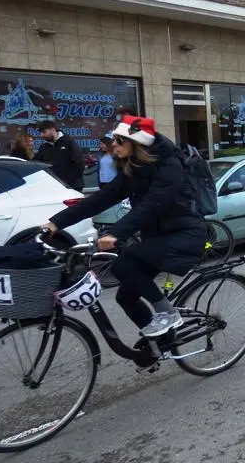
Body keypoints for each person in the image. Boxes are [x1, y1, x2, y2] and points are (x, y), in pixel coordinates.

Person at [41, 115, 206, 339]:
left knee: (123, 264)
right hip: (156, 236)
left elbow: (153, 204)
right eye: (113, 140)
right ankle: (161, 345)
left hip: (184, 235)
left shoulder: (169, 165)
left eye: (119, 141)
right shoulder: (134, 169)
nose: (114, 145)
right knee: (126, 297)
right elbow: (100, 199)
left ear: (137, 143)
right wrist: (56, 223)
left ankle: (168, 313)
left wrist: (115, 233)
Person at [33, 120, 85, 191]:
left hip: (72, 186)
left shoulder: (68, 142)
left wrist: (70, 181)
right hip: (55, 186)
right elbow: (35, 162)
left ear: (53, 130)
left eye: (44, 132)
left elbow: (79, 163)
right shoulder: (44, 147)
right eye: (40, 133)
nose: (41, 135)